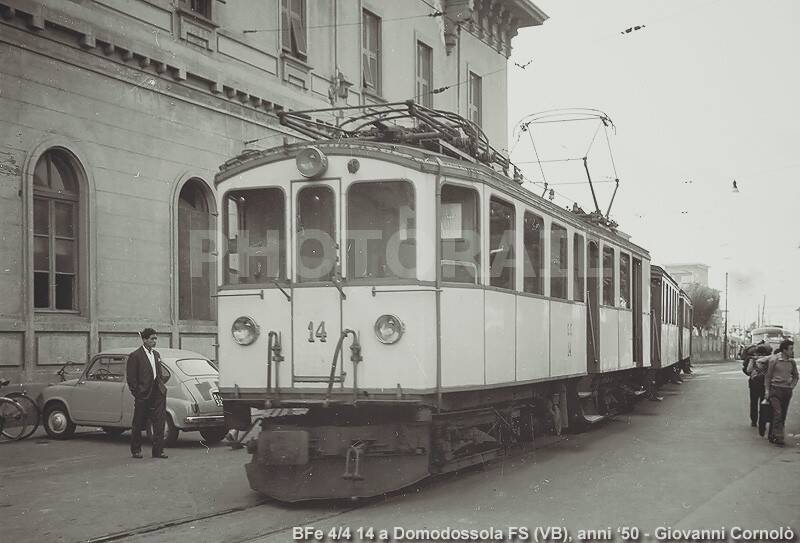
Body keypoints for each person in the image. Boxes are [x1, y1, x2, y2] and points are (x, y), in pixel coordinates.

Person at [126, 328, 169, 459]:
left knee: (159, 422)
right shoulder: (135, 356)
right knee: (138, 423)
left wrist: (161, 386)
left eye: (155, 338)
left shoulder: (156, 354)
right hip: (143, 394)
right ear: (144, 340)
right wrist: (138, 393)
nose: (154, 341)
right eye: (152, 339)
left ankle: (158, 451)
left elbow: (159, 373)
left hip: (157, 393)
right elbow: (131, 378)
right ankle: (136, 450)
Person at [763, 339, 798, 446]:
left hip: (786, 391)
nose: (792, 351)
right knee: (778, 412)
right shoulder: (774, 361)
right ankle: (779, 436)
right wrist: (767, 390)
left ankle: (772, 434)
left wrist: (791, 386)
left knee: (782, 414)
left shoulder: (792, 362)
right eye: (790, 349)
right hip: (775, 389)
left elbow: (796, 376)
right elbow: (768, 376)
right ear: (784, 350)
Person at [745, 343, 772, 429]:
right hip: (764, 384)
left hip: (754, 383)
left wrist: (752, 361)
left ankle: (754, 420)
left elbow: (748, 370)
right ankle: (761, 421)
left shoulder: (754, 360)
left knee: (754, 402)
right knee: (763, 403)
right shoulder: (769, 360)